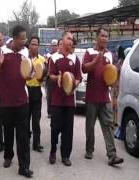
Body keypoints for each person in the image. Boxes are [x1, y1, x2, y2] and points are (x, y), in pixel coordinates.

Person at [0, 25, 33, 178]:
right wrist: (0, 63)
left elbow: (28, 72)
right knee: (8, 133)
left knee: (23, 136)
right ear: (15, 38)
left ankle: (24, 167)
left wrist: (31, 74)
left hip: (22, 100)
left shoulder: (24, 52)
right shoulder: (3, 51)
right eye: (22, 38)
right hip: (6, 102)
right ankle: (8, 156)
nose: (25, 41)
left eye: (25, 38)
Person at [82, 27, 124, 166]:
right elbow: (84, 68)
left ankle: (112, 155)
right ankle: (89, 150)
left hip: (105, 97)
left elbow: (111, 74)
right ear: (96, 37)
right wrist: (96, 59)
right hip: (91, 97)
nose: (104, 38)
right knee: (90, 126)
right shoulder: (89, 52)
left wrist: (114, 85)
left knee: (108, 126)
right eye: (102, 35)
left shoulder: (110, 55)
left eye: (106, 36)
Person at [48, 31, 82, 166]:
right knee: (55, 127)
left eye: (72, 39)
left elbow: (78, 76)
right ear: (62, 40)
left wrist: (75, 83)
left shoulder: (75, 59)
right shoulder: (54, 57)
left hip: (69, 101)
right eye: (69, 38)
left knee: (68, 129)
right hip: (56, 100)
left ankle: (66, 155)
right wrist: (58, 78)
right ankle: (53, 151)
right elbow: (50, 75)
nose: (71, 41)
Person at [26, 36, 46, 152]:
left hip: (37, 91)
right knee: (25, 119)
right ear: (29, 45)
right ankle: (26, 140)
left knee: (36, 119)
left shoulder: (42, 60)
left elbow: (45, 76)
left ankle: (36, 143)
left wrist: (42, 79)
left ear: (39, 46)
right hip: (26, 90)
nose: (34, 46)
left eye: (36, 44)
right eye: (32, 44)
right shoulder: (24, 59)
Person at [44, 39, 58, 118]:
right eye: (53, 45)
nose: (54, 47)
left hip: (57, 78)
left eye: (55, 45)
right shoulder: (48, 56)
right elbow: (45, 68)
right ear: (50, 46)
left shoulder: (59, 55)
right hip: (49, 78)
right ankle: (50, 112)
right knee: (49, 95)